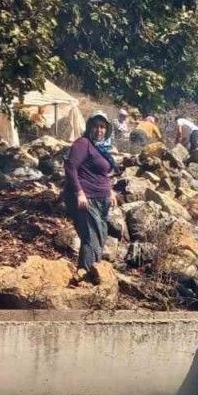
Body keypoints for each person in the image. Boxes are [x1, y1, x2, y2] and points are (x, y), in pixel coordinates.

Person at [64, 112, 119, 274]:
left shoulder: (101, 148)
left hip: (102, 199)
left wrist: (110, 192)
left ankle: (90, 274)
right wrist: (79, 193)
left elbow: (103, 174)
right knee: (91, 239)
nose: (99, 130)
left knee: (101, 237)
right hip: (88, 198)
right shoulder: (83, 143)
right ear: (89, 127)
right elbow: (70, 167)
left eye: (102, 127)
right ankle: (85, 276)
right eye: (95, 126)